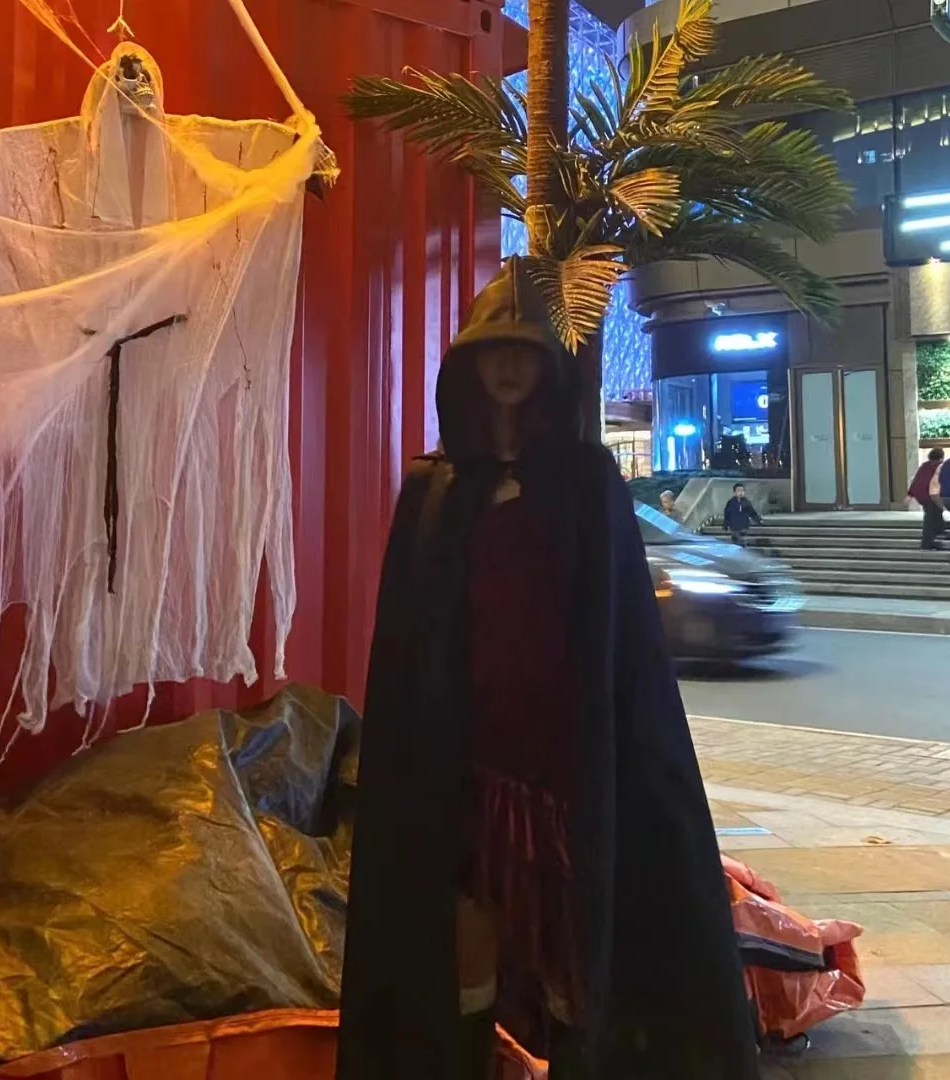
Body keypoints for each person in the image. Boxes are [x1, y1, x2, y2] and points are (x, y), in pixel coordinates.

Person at [337, 258, 757, 1080]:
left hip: (562, 775)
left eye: (524, 352)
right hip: (465, 773)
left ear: (548, 366)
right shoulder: (432, 491)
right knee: (465, 952)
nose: (507, 368)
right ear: (464, 363)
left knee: (573, 961)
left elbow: (617, 643)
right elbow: (412, 652)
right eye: (493, 352)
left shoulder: (587, 488)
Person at [908, 448, 947, 550]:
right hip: (930, 495)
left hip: (921, 495)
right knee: (930, 519)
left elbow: (916, 480)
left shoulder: (925, 466)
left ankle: (940, 530)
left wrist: (910, 494)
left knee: (936, 512)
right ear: (941, 458)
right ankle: (926, 544)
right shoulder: (939, 467)